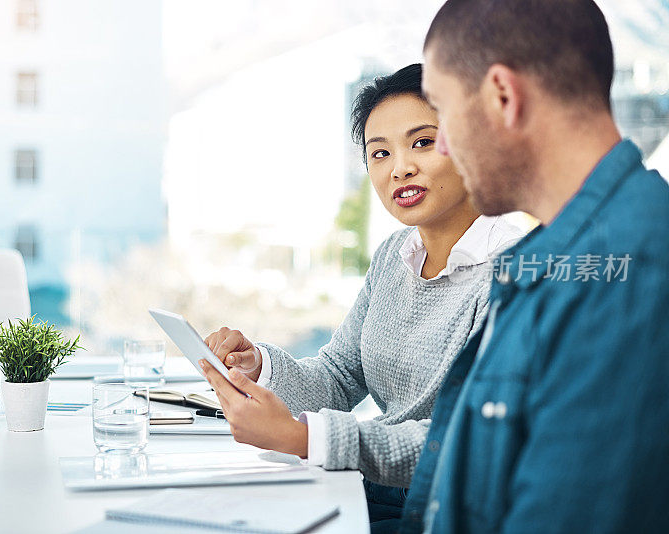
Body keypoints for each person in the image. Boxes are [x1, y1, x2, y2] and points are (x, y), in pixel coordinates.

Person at [198, 63, 525, 531]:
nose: (400, 168)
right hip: (374, 488)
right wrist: (259, 367)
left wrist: (303, 437)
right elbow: (338, 376)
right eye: (380, 154)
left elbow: (462, 439)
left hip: (447, 510)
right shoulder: (396, 254)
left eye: (423, 142)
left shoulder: (514, 274)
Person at [397, 1, 669, 533]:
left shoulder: (624, 277)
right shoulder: (557, 261)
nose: (446, 146)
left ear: (503, 96)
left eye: (442, 113)